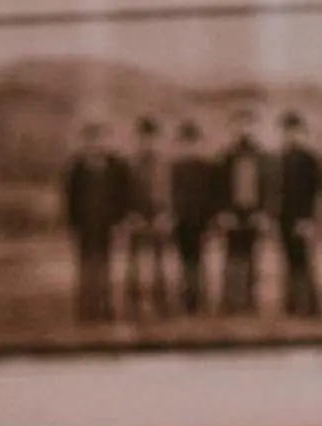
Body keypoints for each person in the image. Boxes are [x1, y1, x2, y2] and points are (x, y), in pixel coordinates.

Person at [64, 117, 133, 328]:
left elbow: (124, 196)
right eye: (92, 139)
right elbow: (70, 199)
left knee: (106, 265)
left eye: (100, 138)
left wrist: (121, 220)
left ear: (107, 140)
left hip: (108, 225)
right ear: (85, 142)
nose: (96, 143)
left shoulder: (117, 166)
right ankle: (87, 309)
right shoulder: (76, 168)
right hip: (85, 225)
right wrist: (72, 223)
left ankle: (106, 308)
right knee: (86, 266)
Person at [219, 105, 269, 314]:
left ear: (255, 127)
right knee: (232, 256)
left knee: (252, 257)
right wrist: (224, 212)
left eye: (248, 124)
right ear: (233, 127)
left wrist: (263, 212)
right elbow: (219, 188)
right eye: (239, 124)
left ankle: (249, 301)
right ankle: (231, 301)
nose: (244, 129)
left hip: (253, 212)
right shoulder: (226, 156)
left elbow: (269, 187)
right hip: (233, 212)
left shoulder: (263, 156)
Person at [276, 110, 322, 319]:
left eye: (295, 131)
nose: (291, 135)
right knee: (289, 260)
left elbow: (316, 193)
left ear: (302, 132)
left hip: (303, 218)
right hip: (284, 218)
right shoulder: (280, 158)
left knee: (303, 260)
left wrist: (309, 220)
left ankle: (310, 307)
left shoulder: (310, 159)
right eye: (287, 131)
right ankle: (292, 305)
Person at [169, 117, 220, 314]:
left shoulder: (206, 168)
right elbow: (171, 195)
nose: (189, 147)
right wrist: (173, 216)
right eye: (185, 142)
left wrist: (210, 219)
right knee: (184, 260)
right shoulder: (175, 168)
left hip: (200, 221)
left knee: (198, 260)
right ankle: (187, 299)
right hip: (181, 221)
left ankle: (198, 299)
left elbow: (211, 196)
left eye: (192, 142)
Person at [124, 114, 170, 322]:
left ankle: (162, 305)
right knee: (134, 264)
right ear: (138, 138)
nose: (148, 142)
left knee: (160, 264)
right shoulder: (131, 165)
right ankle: (133, 305)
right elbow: (124, 193)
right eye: (144, 137)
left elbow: (169, 193)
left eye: (152, 137)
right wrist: (131, 215)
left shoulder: (164, 164)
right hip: (137, 218)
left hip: (158, 218)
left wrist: (165, 215)